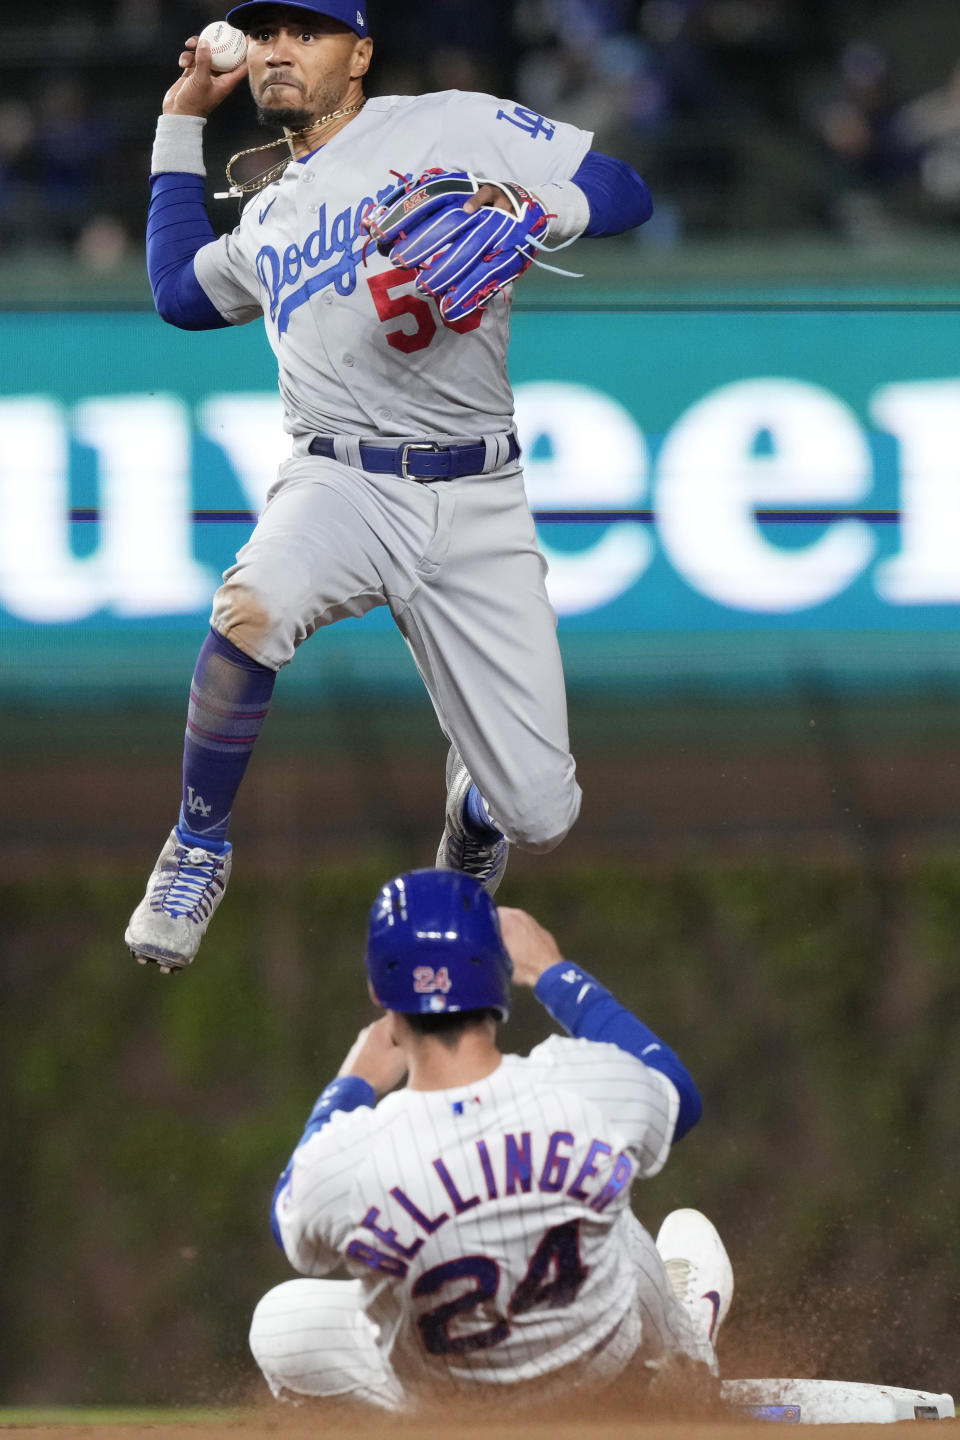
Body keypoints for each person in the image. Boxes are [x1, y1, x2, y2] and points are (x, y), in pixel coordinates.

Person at [124, 0, 655, 972]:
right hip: (342, 481)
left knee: (540, 809)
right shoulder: (270, 212)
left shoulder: (448, 122)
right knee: (255, 602)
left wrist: (534, 207)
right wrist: (181, 116)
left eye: (306, 30)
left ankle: (472, 807)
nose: (281, 48)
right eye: (267, 32)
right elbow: (175, 294)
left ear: (359, 51)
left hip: (480, 494)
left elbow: (625, 188)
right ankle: (196, 843)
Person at [247, 867, 734, 1410]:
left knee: (277, 1321)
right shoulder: (581, 1087)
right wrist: (552, 971)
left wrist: (350, 1086)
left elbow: (288, 1221)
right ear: (499, 975)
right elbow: (677, 1095)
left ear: (377, 990)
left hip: (447, 1403)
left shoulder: (349, 1154)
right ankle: (687, 1366)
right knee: (605, 1195)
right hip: (599, 1374)